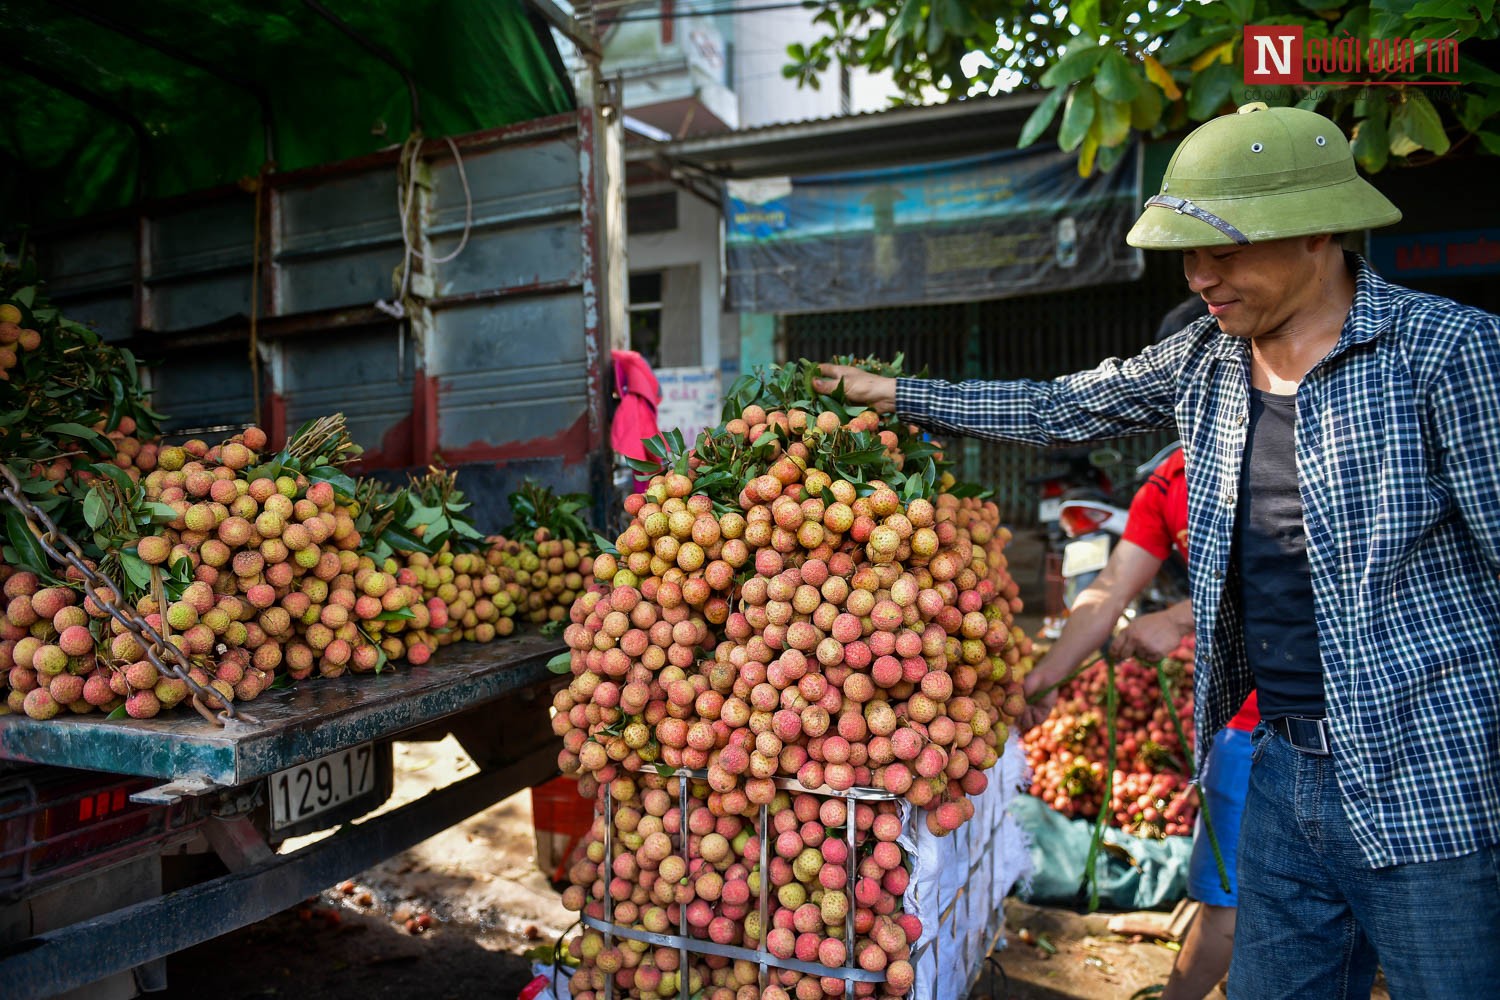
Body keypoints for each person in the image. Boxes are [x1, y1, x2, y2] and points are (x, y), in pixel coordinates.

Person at [817, 102, 1500, 997]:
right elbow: (1053, 406)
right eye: (1188, 252)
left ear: (1317, 233)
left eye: (1225, 250)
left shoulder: (1448, 353)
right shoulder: (1204, 363)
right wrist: (889, 393)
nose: (1199, 275)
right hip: (1280, 773)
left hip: (1433, 783)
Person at [1020, 439, 1258, 1000]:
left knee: (1235, 899)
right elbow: (1106, 593)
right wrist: (1046, 676)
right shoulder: (1167, 484)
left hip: (1292, 722)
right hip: (1234, 718)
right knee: (1228, 880)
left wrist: (1177, 618)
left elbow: (1304, 570)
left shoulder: (1280, 451)